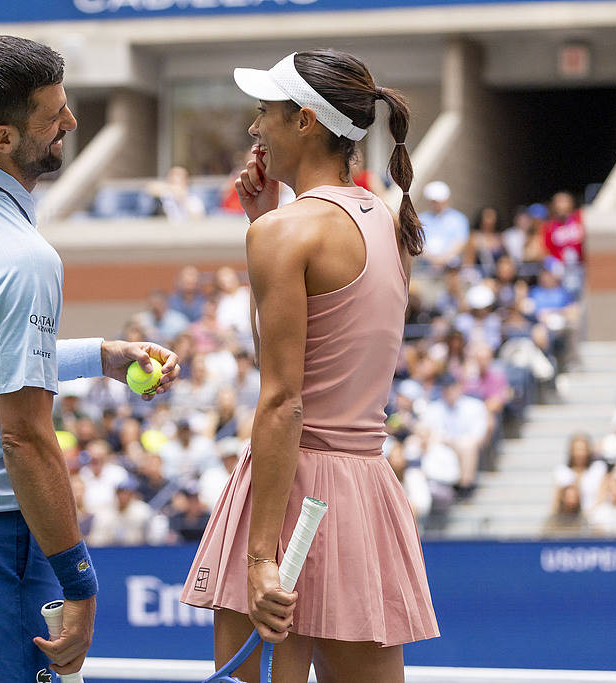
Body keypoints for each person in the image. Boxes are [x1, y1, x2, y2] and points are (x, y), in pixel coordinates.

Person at [0, 35, 180, 683]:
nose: (71, 122)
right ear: (4, 138)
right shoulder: (24, 258)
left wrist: (102, 355)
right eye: (55, 115)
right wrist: (80, 579)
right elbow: (24, 437)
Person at [180, 50, 437, 683]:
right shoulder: (389, 223)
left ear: (305, 122)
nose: (253, 128)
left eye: (264, 112)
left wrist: (261, 556)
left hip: (288, 488)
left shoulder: (286, 233)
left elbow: (283, 401)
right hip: (363, 486)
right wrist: (264, 218)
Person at [417, 180, 468, 270]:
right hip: (426, 267)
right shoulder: (420, 219)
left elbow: (461, 242)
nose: (437, 204)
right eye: (434, 201)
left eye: (440, 201)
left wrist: (443, 259)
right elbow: (417, 244)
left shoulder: (458, 218)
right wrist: (433, 260)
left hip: (451, 267)